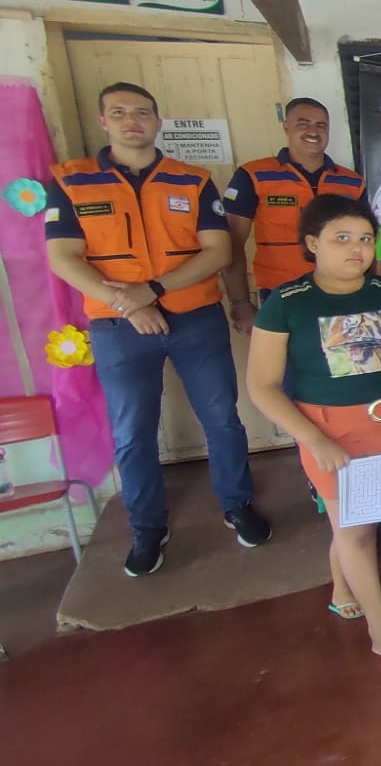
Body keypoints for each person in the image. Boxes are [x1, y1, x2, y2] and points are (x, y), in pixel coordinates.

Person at [44, 82, 268, 578]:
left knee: (222, 418)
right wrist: (127, 301)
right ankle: (147, 529)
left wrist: (153, 291)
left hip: (194, 317)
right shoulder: (73, 181)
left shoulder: (191, 180)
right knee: (132, 431)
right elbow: (62, 257)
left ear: (157, 120)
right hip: (117, 324)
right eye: (119, 112)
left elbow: (218, 251)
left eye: (142, 112)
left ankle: (237, 505)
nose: (132, 121)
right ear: (103, 121)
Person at [245, 194, 381, 667]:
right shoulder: (286, 304)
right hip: (332, 436)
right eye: (342, 238)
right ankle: (379, 626)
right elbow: (263, 386)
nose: (357, 248)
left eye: (366, 239)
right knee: (353, 533)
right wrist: (313, 439)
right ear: (312, 243)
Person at [221, 97, 365, 335]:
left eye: (321, 125)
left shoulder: (351, 181)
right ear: (286, 126)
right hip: (282, 295)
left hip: (342, 296)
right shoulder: (254, 175)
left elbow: (370, 241)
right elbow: (232, 246)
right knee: (288, 369)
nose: (313, 131)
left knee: (341, 367)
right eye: (304, 123)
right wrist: (240, 302)